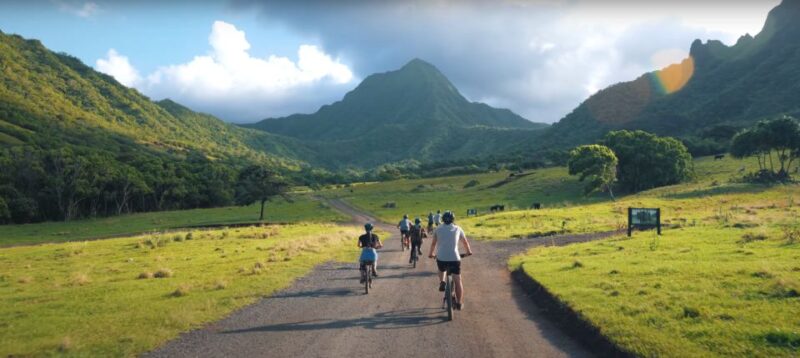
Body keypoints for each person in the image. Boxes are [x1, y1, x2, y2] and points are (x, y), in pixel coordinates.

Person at [429, 211, 473, 310]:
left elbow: (433, 244)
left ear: (443, 219)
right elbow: (465, 242)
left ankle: (442, 282)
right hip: (454, 258)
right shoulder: (458, 228)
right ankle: (459, 303)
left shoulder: (437, 229)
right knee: (458, 281)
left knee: (441, 268)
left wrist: (431, 254)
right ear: (453, 219)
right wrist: (468, 252)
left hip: (441, 258)